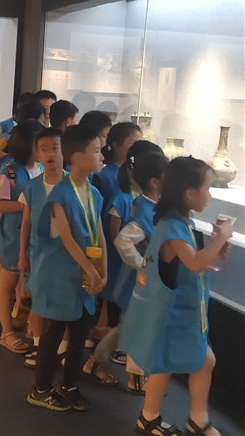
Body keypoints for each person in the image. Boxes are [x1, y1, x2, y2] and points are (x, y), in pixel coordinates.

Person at [120, 157, 233, 436]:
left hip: (178, 314)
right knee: (187, 362)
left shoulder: (180, 221)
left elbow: (195, 262)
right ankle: (178, 419)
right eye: (206, 188)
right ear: (189, 193)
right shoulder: (173, 226)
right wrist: (220, 238)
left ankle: (173, 418)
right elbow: (194, 263)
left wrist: (216, 251)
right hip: (172, 316)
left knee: (186, 363)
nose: (209, 195)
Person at [26, 124, 106, 412]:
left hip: (82, 279)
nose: (102, 156)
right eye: (97, 151)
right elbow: (68, 239)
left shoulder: (94, 193)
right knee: (52, 336)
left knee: (79, 336)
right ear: (78, 157)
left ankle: (69, 385)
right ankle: (40, 388)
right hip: (58, 277)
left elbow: (100, 233)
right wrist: (92, 270)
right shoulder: (60, 194)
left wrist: (103, 271)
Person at [82, 149, 168, 392]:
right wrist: (142, 263)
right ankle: (136, 378)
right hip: (140, 284)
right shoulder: (145, 212)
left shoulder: (149, 206)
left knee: (127, 328)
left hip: (143, 282)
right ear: (155, 182)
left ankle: (94, 361)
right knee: (139, 329)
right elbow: (123, 240)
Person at [0, 120, 45, 353]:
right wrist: (26, 207)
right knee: (8, 282)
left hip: (35, 237)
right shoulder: (9, 171)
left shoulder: (40, 169)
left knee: (29, 284)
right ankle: (7, 333)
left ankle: (31, 327)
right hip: (13, 237)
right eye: (39, 145)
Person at [88, 122, 142, 342]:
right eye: (133, 142)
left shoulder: (133, 183)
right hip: (108, 242)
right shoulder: (104, 175)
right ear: (117, 144)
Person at [17, 127, 66, 367]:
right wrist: (22, 255)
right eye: (43, 149)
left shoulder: (75, 184)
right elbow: (26, 222)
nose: (49, 154)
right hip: (37, 253)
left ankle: (63, 348)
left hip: (66, 255)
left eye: (55, 148)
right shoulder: (32, 186)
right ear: (36, 153)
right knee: (37, 299)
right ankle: (38, 345)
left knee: (64, 299)